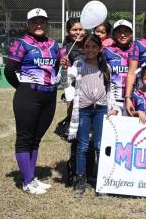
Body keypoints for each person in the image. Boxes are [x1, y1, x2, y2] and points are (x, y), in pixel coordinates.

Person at [4, 8, 60, 195]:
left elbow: (56, 68)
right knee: (25, 138)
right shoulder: (21, 43)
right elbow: (9, 70)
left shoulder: (54, 45)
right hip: (28, 94)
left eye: (42, 21)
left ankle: (31, 177)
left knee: (36, 139)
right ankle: (27, 181)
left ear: (47, 23)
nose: (39, 24)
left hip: (49, 96)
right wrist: (23, 88)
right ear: (28, 24)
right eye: (35, 21)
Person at [60, 34, 122, 198]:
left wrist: (114, 107)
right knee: (82, 146)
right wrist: (64, 68)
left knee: (100, 146)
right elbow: (64, 83)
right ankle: (80, 181)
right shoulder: (78, 65)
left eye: (94, 47)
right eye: (87, 47)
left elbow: (112, 90)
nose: (90, 50)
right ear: (82, 48)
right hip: (83, 111)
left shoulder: (105, 67)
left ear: (100, 49)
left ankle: (102, 182)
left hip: (101, 110)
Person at [57, 17, 91, 187]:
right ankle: (73, 173)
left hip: (90, 97)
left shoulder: (91, 46)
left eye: (81, 29)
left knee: (90, 137)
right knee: (76, 137)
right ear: (68, 32)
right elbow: (64, 81)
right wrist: (69, 100)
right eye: (74, 30)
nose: (78, 32)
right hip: (74, 99)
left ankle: (89, 171)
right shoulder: (65, 51)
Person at [103, 19, 134, 115]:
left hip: (133, 100)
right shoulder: (107, 51)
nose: (123, 35)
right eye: (119, 32)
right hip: (113, 101)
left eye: (126, 31)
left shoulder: (137, 50)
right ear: (114, 34)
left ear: (131, 34)